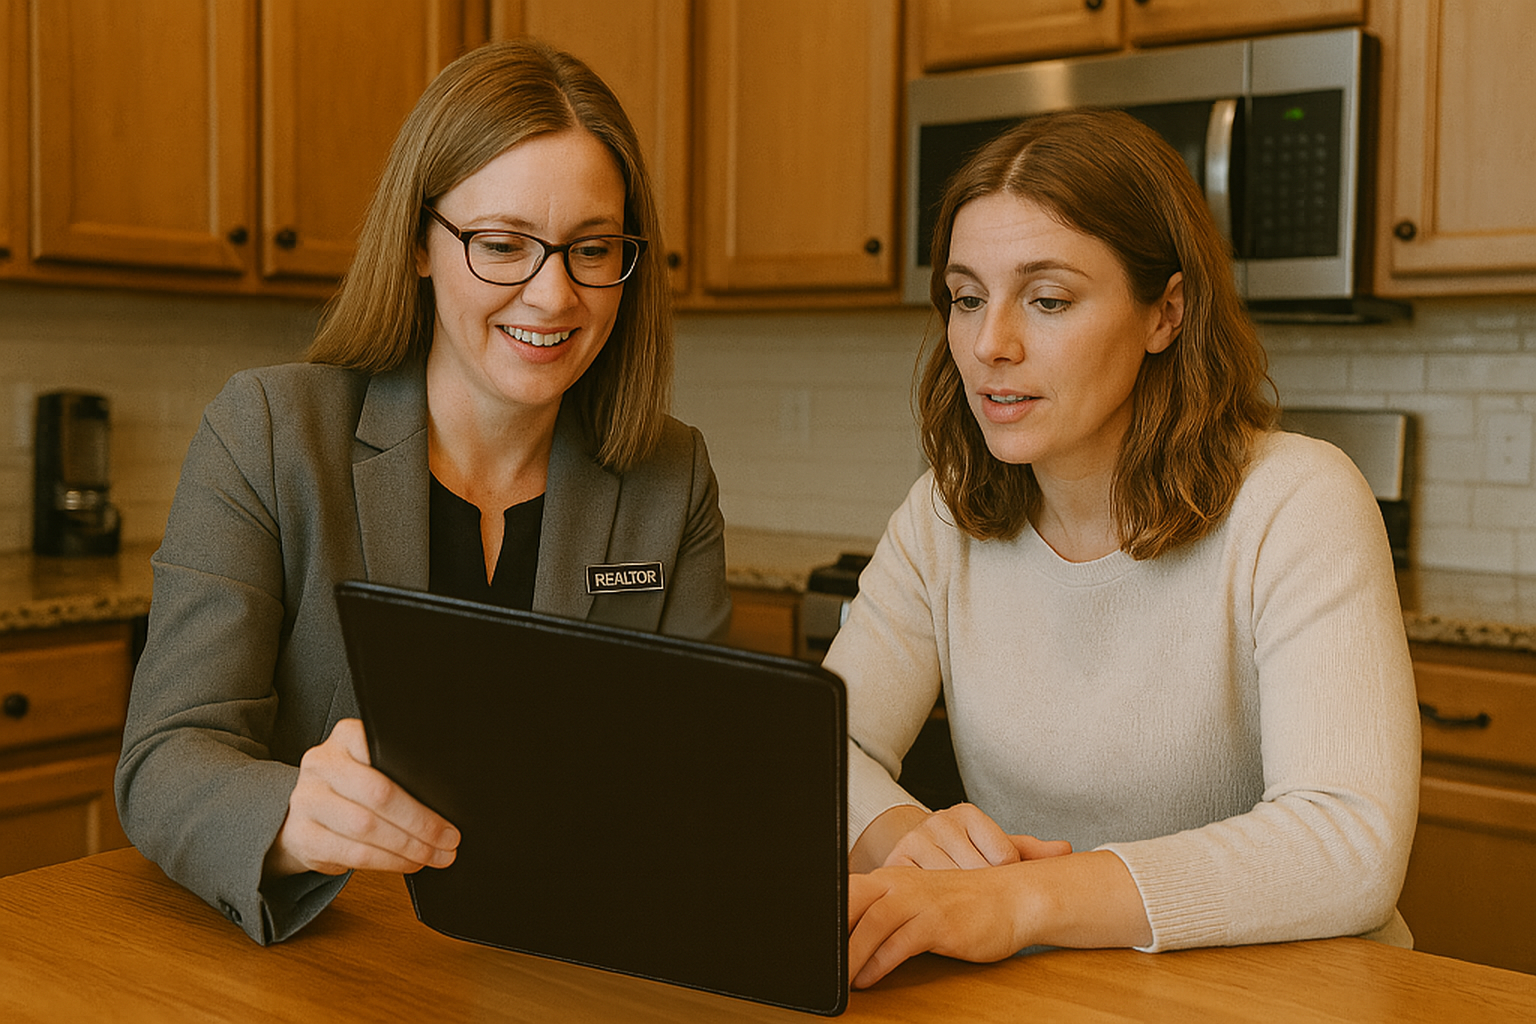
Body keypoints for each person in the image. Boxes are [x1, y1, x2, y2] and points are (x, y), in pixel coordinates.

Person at [115, 39, 731, 945]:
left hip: (565, 956)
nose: (553, 294)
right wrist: (293, 816)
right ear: (418, 243)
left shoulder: (670, 474)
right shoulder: (269, 431)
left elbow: (702, 775)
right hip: (331, 957)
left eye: (591, 248)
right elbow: (164, 757)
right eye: (503, 245)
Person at [835, 109, 1420, 988]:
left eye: (1049, 299)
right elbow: (816, 746)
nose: (991, 344)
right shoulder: (944, 515)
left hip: (1285, 1000)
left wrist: (1020, 902)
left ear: (1166, 314)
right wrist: (901, 836)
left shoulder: (1298, 500)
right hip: (1054, 992)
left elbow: (1348, 842)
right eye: (966, 297)